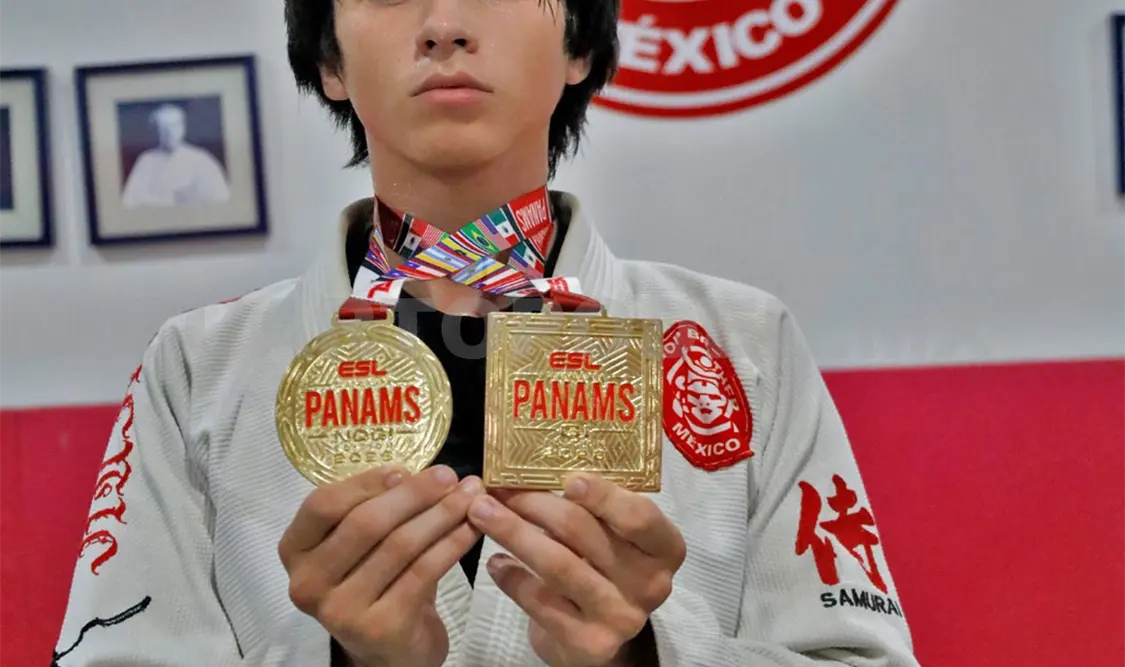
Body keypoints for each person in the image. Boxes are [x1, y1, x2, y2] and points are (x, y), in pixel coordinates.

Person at [53, 1, 922, 666]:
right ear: (329, 61)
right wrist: (343, 658)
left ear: (579, 45)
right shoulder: (200, 366)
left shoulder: (741, 343)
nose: (444, 26)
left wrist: (643, 653)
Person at [120, 103, 231, 209]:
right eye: (163, 128)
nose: (169, 132)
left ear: (183, 128)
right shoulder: (146, 161)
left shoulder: (201, 160)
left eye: (174, 126)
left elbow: (221, 198)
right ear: (155, 131)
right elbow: (129, 201)